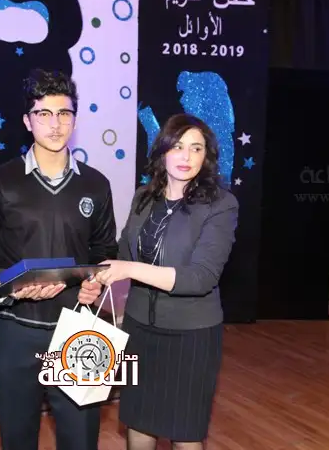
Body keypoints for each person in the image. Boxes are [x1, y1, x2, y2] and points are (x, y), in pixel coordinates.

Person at [0, 69, 118, 450]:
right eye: (44, 114)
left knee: (81, 440)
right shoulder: (1, 181)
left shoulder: (96, 184)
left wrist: (95, 282)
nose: (55, 124)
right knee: (18, 438)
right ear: (27, 121)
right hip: (14, 330)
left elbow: (105, 250)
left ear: (75, 119)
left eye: (64, 113)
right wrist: (11, 284)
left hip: (79, 330)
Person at [95, 114, 238, 450]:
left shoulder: (220, 204)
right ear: (162, 151)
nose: (186, 156)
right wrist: (93, 277)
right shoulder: (143, 198)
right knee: (139, 421)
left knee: (185, 431)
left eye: (196, 148)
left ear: (206, 156)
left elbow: (200, 277)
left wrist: (129, 269)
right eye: (178, 146)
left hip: (191, 335)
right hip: (139, 329)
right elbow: (122, 253)